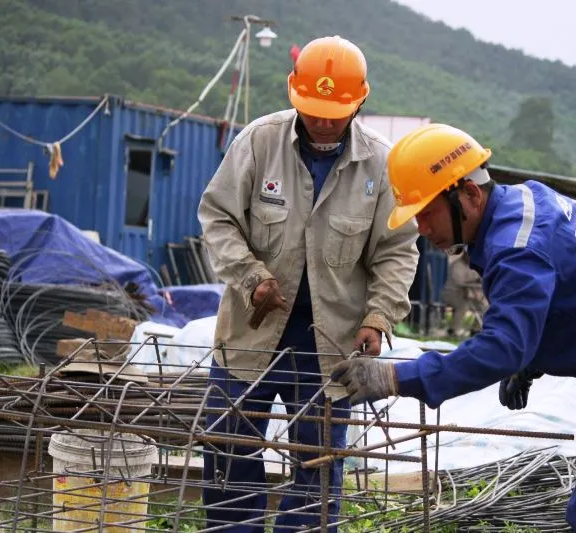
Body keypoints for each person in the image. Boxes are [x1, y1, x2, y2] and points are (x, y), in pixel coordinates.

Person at [330, 123, 576, 532]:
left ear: (468, 193)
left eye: (427, 213)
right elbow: (572, 289)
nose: (423, 229)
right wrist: (531, 358)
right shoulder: (523, 202)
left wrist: (397, 376)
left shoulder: (517, 247)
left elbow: (503, 346)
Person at [197, 35, 419, 532]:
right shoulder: (259, 141)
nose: (322, 121)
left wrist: (378, 318)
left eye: (334, 112)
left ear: (360, 100)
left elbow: (397, 251)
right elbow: (218, 218)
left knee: (315, 474)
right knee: (229, 455)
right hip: (249, 337)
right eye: (313, 110)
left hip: (329, 350)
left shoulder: (380, 165)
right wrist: (252, 277)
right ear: (294, 94)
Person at [440, 247, 487, 337]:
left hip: (468, 294)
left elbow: (479, 278)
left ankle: (477, 330)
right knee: (462, 305)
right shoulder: (457, 265)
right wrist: (474, 281)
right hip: (452, 293)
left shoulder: (474, 265)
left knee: (484, 305)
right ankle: (455, 330)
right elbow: (459, 282)